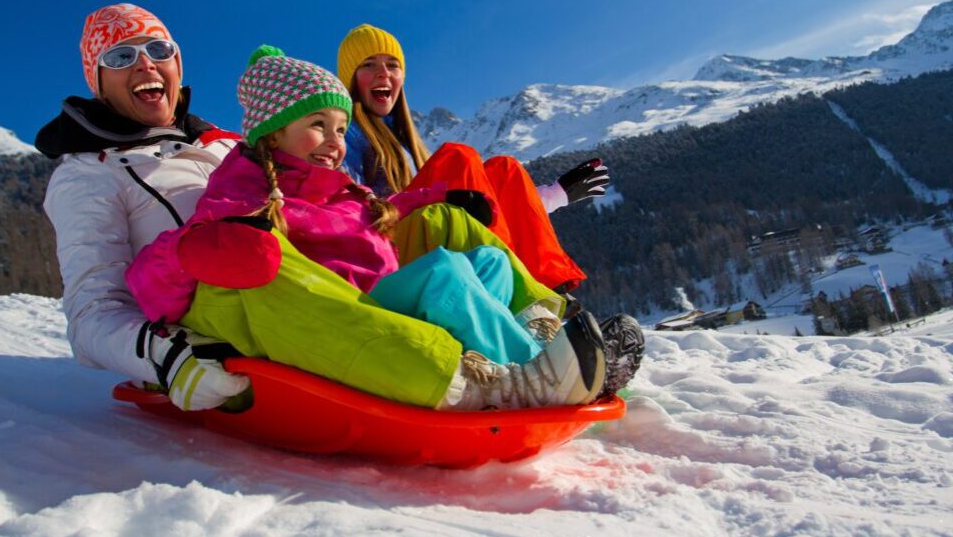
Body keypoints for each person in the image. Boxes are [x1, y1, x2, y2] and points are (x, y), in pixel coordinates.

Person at [125, 45, 611, 411]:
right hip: (352, 310)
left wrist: (441, 196)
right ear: (273, 132)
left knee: (486, 259)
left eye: (340, 129)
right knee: (444, 273)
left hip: (385, 294)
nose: (334, 142)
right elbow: (195, 245)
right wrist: (216, 245)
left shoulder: (333, 186)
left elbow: (386, 207)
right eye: (318, 125)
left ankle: (548, 332)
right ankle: (535, 373)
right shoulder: (246, 184)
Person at [36, 3, 251, 412]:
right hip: (221, 331)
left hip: (306, 286)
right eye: (120, 57)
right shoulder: (89, 173)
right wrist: (168, 354)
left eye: (158, 49)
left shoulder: (228, 145)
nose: (145, 65)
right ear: (99, 83)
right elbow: (93, 312)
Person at [337, 23, 611, 294]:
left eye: (392, 65)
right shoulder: (347, 134)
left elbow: (481, 205)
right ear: (351, 78)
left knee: (504, 169)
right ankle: (512, 287)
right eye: (369, 65)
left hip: (428, 232)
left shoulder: (404, 140)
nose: (383, 73)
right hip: (389, 249)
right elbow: (349, 209)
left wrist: (555, 195)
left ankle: (553, 291)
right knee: (457, 157)